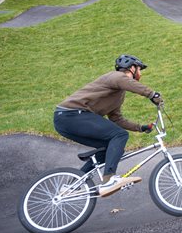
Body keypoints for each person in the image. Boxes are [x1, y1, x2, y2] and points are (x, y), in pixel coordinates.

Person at [53, 54, 163, 197]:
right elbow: (126, 82)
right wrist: (152, 95)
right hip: (72, 114)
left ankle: (72, 185)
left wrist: (140, 128)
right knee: (120, 135)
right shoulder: (115, 77)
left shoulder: (118, 94)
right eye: (139, 69)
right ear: (132, 68)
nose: (140, 73)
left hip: (67, 121)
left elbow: (116, 119)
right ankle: (109, 180)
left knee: (112, 148)